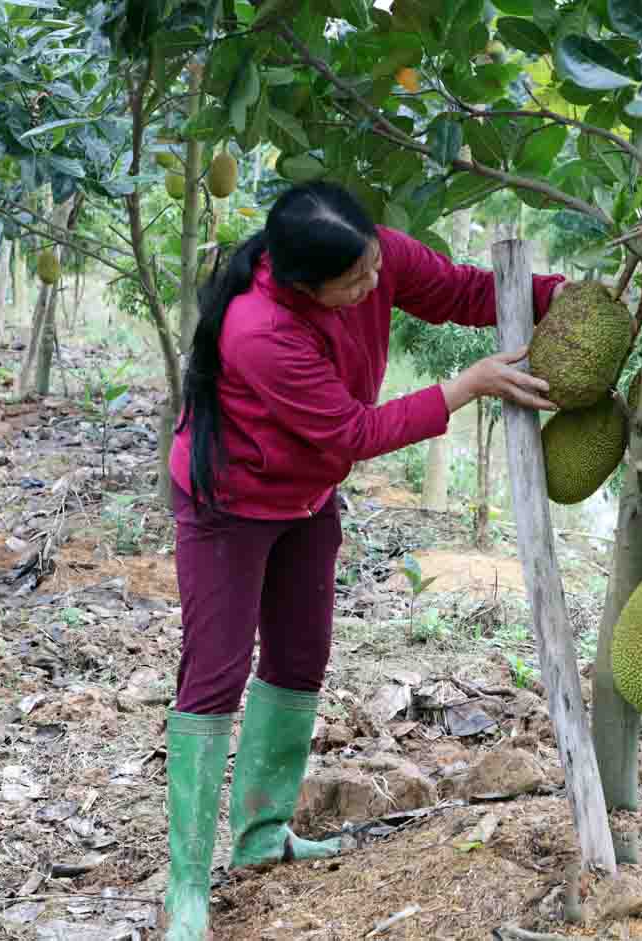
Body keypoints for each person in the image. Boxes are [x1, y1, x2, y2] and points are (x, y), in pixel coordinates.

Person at [161, 181, 565, 941]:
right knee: (213, 675)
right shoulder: (259, 328)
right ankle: (186, 887)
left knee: (300, 657)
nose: (375, 284)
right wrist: (464, 386)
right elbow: (352, 434)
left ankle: (259, 838)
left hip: (306, 499)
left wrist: (568, 298)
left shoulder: (371, 252)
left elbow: (462, 291)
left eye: (375, 265)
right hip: (230, 505)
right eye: (355, 281)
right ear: (302, 283)